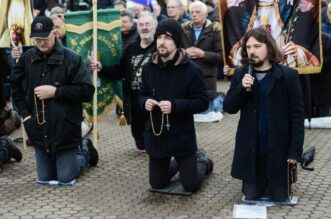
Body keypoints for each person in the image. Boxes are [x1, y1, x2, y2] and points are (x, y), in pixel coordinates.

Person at [10, 16, 98, 184]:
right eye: (37, 39)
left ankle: (85, 150)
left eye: (45, 38)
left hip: (65, 129)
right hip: (38, 129)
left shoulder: (73, 58)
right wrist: (26, 116)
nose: (41, 42)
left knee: (65, 177)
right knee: (45, 178)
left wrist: (56, 92)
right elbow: (15, 88)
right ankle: (56, 159)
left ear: (54, 33)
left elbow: (87, 91)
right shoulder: (27, 58)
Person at [223, 27, 304, 201]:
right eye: (249, 47)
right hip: (252, 149)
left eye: (257, 46)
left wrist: (294, 151)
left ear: (269, 47)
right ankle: (259, 180)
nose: (252, 51)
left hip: (278, 149)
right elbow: (229, 107)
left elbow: (297, 116)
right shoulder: (241, 74)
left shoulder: (288, 76)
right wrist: (241, 89)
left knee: (280, 197)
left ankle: (276, 180)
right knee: (251, 195)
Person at [139, 19, 214, 192]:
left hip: (182, 136)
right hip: (157, 135)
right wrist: (145, 102)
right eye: (159, 38)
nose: (162, 42)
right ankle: (182, 166)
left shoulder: (191, 69)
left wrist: (175, 105)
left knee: (190, 185)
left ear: (177, 42)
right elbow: (141, 94)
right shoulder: (149, 68)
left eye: (167, 38)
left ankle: (202, 161)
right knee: (157, 183)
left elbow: (202, 102)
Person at [90, 11, 157, 154]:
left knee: (155, 134)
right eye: (141, 24)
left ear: (155, 27)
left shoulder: (160, 48)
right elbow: (120, 71)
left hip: (154, 100)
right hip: (134, 100)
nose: (144, 27)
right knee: (140, 141)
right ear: (137, 27)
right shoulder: (131, 48)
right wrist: (102, 68)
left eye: (147, 24)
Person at [222, 0, 320, 69]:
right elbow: (236, 56)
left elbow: (303, 33)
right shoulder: (241, 7)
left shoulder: (289, 6)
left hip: (281, 63)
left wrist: (296, 51)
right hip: (256, 68)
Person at [182, 0, 223, 121]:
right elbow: (176, 52)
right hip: (187, 81)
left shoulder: (215, 31)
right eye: (192, 12)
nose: (194, 14)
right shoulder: (183, 31)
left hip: (206, 82)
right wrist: (184, 53)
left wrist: (203, 54)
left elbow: (221, 57)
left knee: (206, 114)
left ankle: (221, 100)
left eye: (197, 12)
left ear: (205, 15)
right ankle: (220, 99)